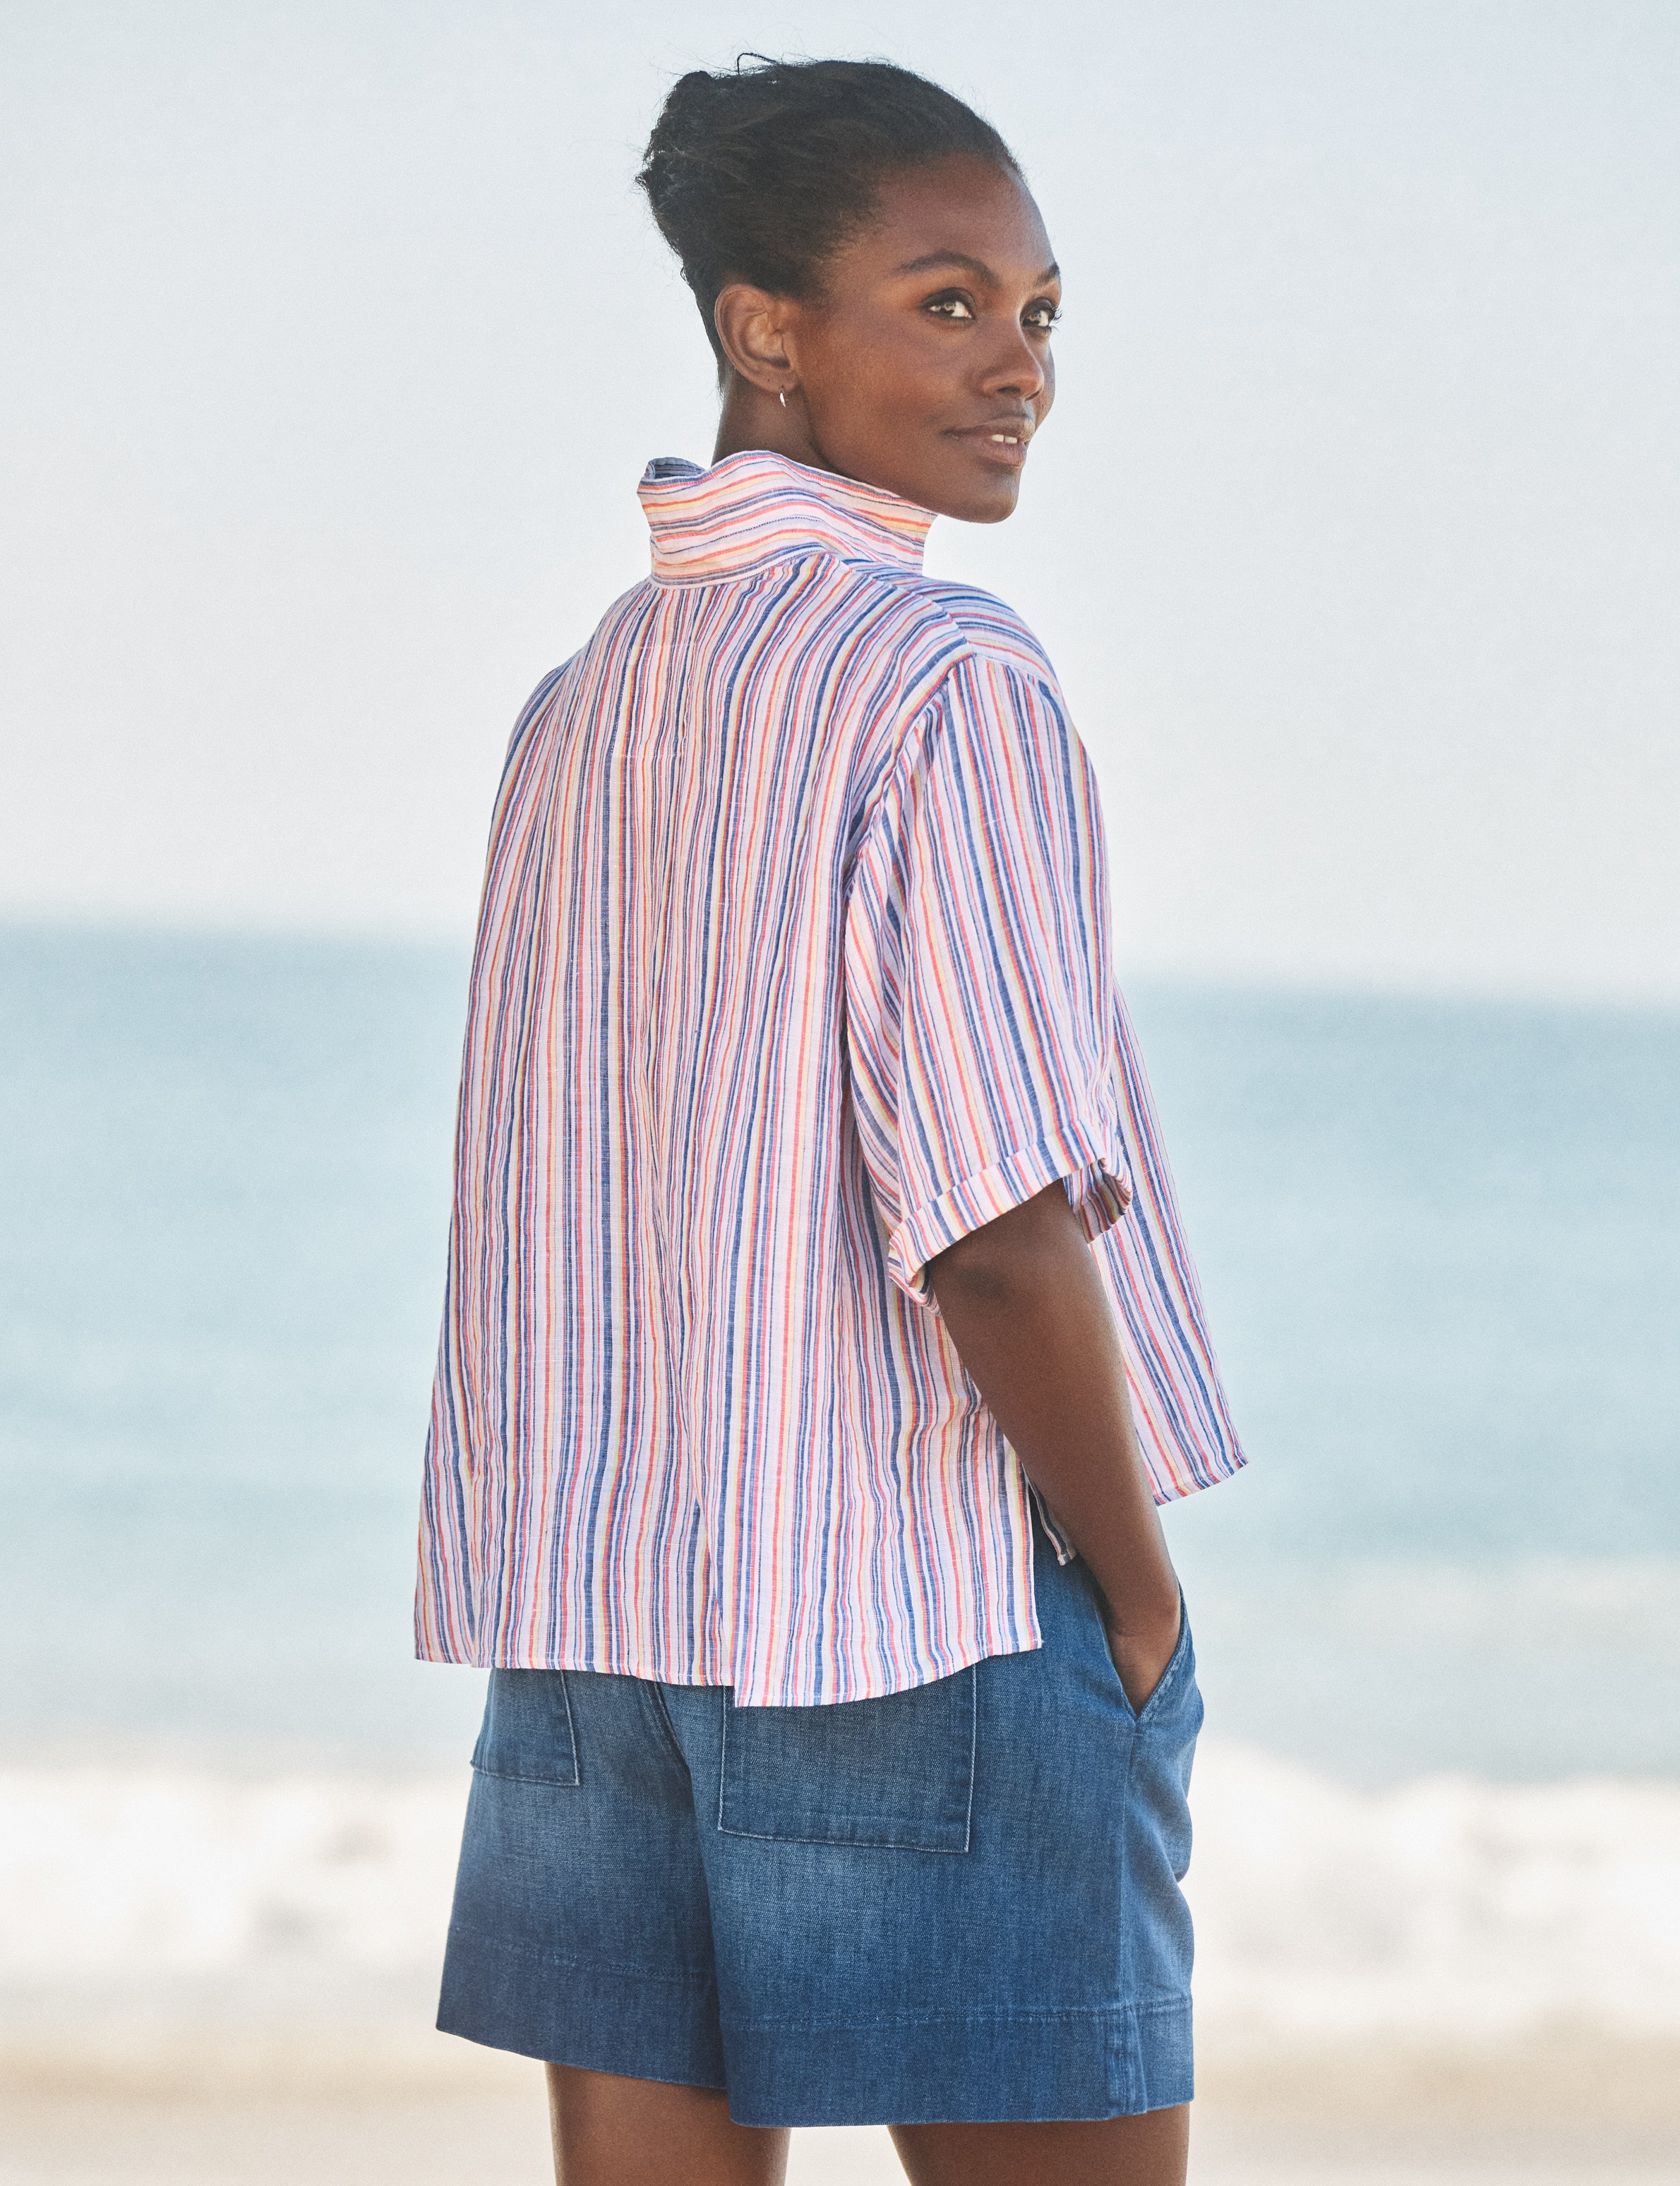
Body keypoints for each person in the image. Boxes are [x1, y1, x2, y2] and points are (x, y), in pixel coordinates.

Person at [416, 56, 1244, 2186]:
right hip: (912, 1615)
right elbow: (986, 1223)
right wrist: (1133, 1607)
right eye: (948, 301)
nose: (1020, 369)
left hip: (602, 1632)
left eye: (1041, 313)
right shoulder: (942, 674)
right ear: (760, 326)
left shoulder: (586, 694)